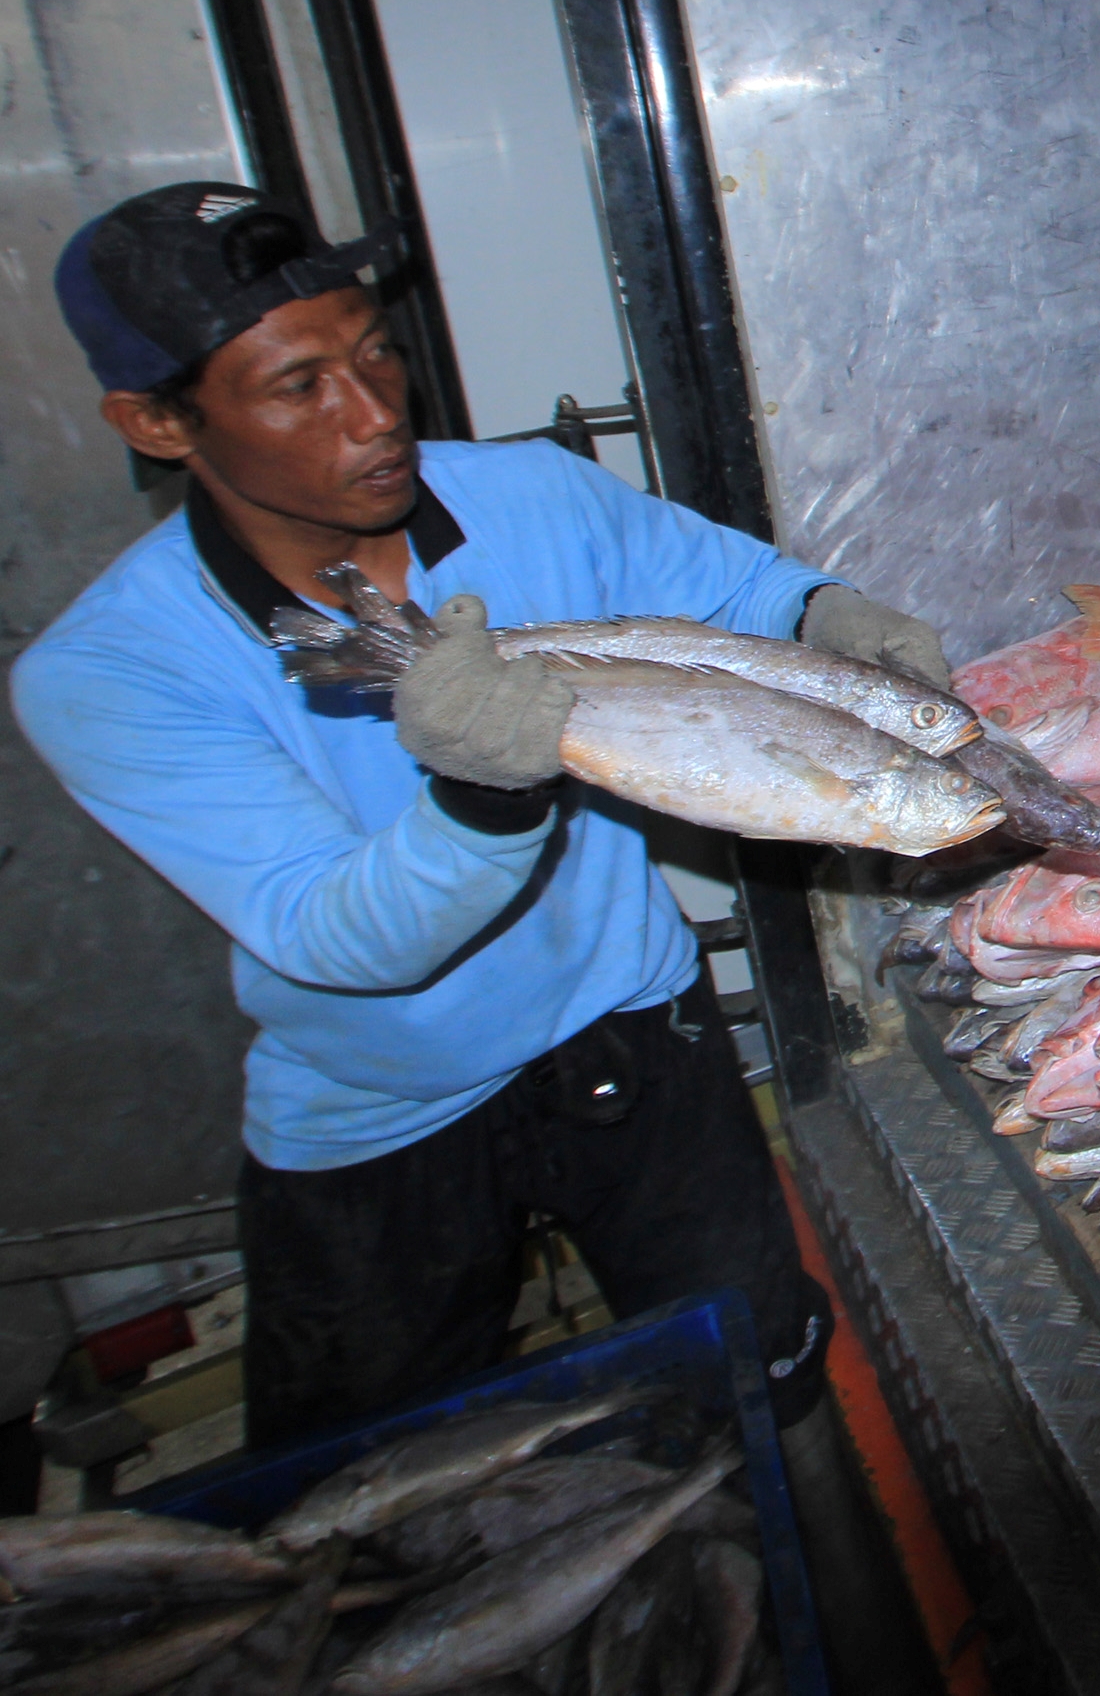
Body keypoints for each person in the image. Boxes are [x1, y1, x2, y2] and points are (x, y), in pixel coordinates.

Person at [10, 182, 959, 1458]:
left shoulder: (527, 498)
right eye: (301, 388)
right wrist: (480, 800)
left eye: (375, 351)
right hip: (379, 1098)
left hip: (628, 1025)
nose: (376, 414)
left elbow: (732, 586)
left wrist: (826, 622)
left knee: (750, 1393)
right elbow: (336, 935)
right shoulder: (110, 670)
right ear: (158, 422)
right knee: (361, 1489)